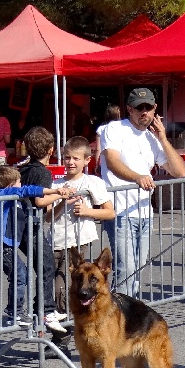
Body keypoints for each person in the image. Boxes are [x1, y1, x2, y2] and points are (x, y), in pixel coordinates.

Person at [102, 88, 185, 297]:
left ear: (155, 109)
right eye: (139, 108)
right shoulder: (114, 129)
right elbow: (112, 161)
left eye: (148, 107)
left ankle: (127, 311)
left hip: (144, 212)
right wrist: (137, 177)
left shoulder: (152, 138)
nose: (144, 112)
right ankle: (121, 317)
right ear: (129, 109)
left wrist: (164, 139)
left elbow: (180, 172)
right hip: (120, 209)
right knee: (126, 268)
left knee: (138, 268)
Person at [49, 136, 114, 354]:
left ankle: (64, 332)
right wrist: (60, 203)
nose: (70, 163)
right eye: (67, 158)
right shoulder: (56, 183)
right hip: (55, 241)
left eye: (75, 158)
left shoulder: (92, 183)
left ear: (87, 160)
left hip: (77, 244)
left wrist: (87, 211)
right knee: (54, 288)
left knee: (65, 287)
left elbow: (109, 211)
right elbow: (48, 217)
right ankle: (64, 329)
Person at [0, 165, 71, 327]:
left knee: (21, 275)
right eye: (19, 182)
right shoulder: (3, 193)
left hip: (7, 245)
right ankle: (15, 313)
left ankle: (21, 311)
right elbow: (28, 190)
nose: (21, 184)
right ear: (11, 184)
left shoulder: (12, 197)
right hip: (1, 245)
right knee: (19, 277)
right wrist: (55, 191)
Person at [18, 126, 68, 333]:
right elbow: (39, 201)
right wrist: (60, 194)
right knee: (46, 266)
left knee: (42, 266)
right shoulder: (42, 172)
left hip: (22, 225)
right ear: (50, 150)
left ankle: (42, 309)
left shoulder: (24, 169)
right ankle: (46, 310)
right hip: (31, 225)